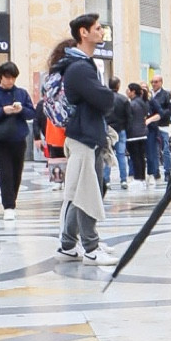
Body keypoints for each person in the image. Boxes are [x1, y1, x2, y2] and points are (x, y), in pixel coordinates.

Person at [51, 15, 118, 264]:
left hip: (86, 134)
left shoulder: (83, 64)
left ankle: (68, 244)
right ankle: (91, 248)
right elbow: (105, 99)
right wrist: (106, 95)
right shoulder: (79, 68)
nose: (102, 32)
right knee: (87, 192)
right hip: (83, 136)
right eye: (98, 29)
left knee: (79, 191)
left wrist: (102, 96)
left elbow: (100, 98)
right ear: (84, 32)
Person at [0, 62, 36, 219]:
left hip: (19, 137)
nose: (10, 81)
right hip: (0, 139)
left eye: (13, 78)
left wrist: (21, 109)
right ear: (1, 77)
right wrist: (3, 111)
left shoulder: (22, 93)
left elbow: (32, 113)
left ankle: (12, 201)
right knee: (6, 172)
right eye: (7, 77)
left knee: (17, 172)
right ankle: (8, 205)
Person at [146, 73, 171, 182]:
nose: (153, 84)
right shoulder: (149, 95)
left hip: (163, 125)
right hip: (152, 126)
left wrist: (162, 114)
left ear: (161, 82)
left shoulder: (166, 95)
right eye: (152, 82)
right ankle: (155, 171)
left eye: (156, 82)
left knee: (165, 149)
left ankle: (167, 171)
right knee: (153, 150)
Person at [106, 79, 130, 190]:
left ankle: (106, 180)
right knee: (121, 155)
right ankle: (123, 180)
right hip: (120, 130)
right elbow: (129, 117)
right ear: (118, 85)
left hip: (108, 130)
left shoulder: (104, 98)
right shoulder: (124, 99)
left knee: (107, 154)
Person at [125, 82, 150, 185]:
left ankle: (138, 178)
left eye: (128, 90)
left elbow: (128, 118)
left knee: (135, 157)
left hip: (133, 134)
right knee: (141, 157)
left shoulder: (131, 104)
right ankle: (142, 178)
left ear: (133, 92)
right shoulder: (143, 103)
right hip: (143, 133)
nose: (127, 92)